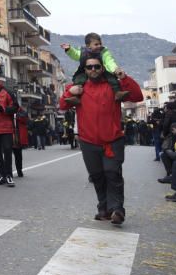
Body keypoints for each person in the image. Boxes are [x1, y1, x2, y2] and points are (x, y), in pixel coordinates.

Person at [59, 53, 143, 225]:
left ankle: (117, 210)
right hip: (88, 142)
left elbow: (137, 96)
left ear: (102, 68)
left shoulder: (114, 86)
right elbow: (62, 105)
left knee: (113, 173)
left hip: (112, 140)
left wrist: (124, 77)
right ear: (85, 69)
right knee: (97, 177)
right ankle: (104, 209)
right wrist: (69, 91)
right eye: (89, 67)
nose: (93, 69)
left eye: (97, 66)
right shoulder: (78, 88)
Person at [60, 33, 126, 99]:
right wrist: (69, 49)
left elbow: (110, 61)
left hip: (102, 71)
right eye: (96, 44)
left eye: (100, 44)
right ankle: (76, 97)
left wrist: (115, 69)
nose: (99, 46)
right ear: (88, 46)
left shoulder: (104, 52)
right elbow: (75, 54)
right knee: (78, 80)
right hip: (85, 71)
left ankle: (117, 93)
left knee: (112, 79)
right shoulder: (83, 52)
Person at [12, 106, 30, 178]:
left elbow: (26, 120)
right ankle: (8, 172)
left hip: (18, 135)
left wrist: (16, 116)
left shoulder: (21, 111)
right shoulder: (6, 110)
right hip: (8, 133)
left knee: (18, 155)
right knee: (7, 155)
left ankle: (19, 170)